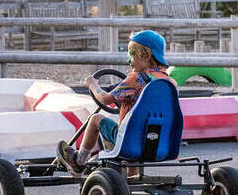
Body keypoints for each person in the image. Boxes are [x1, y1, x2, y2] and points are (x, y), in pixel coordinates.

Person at [57, 30, 173, 173]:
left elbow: (105, 99)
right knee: (136, 138)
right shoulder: (170, 83)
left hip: (129, 142)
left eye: (132, 55)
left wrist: (92, 85)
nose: (129, 61)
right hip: (160, 143)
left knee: (95, 119)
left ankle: (78, 161)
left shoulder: (135, 79)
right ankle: (131, 181)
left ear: (147, 55)